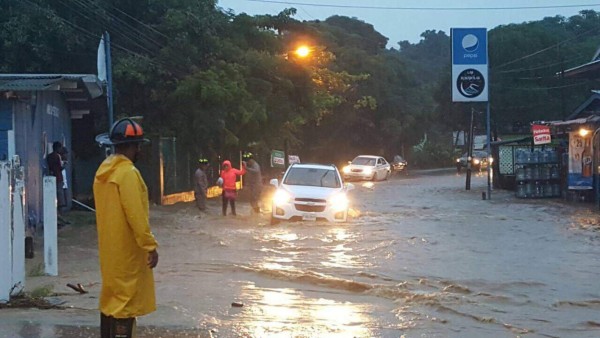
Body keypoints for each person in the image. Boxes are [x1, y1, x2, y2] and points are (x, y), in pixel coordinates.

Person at [93, 118, 159, 338]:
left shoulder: (103, 173)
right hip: (128, 251)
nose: (139, 149)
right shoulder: (127, 174)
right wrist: (150, 246)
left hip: (110, 251)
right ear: (132, 146)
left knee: (111, 298)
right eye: (138, 145)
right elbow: (136, 215)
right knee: (126, 303)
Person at [47, 141, 66, 211]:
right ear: (58, 148)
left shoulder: (49, 156)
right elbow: (60, 167)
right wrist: (64, 165)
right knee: (59, 193)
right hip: (58, 176)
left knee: (53, 193)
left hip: (51, 176)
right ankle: (60, 208)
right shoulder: (58, 156)